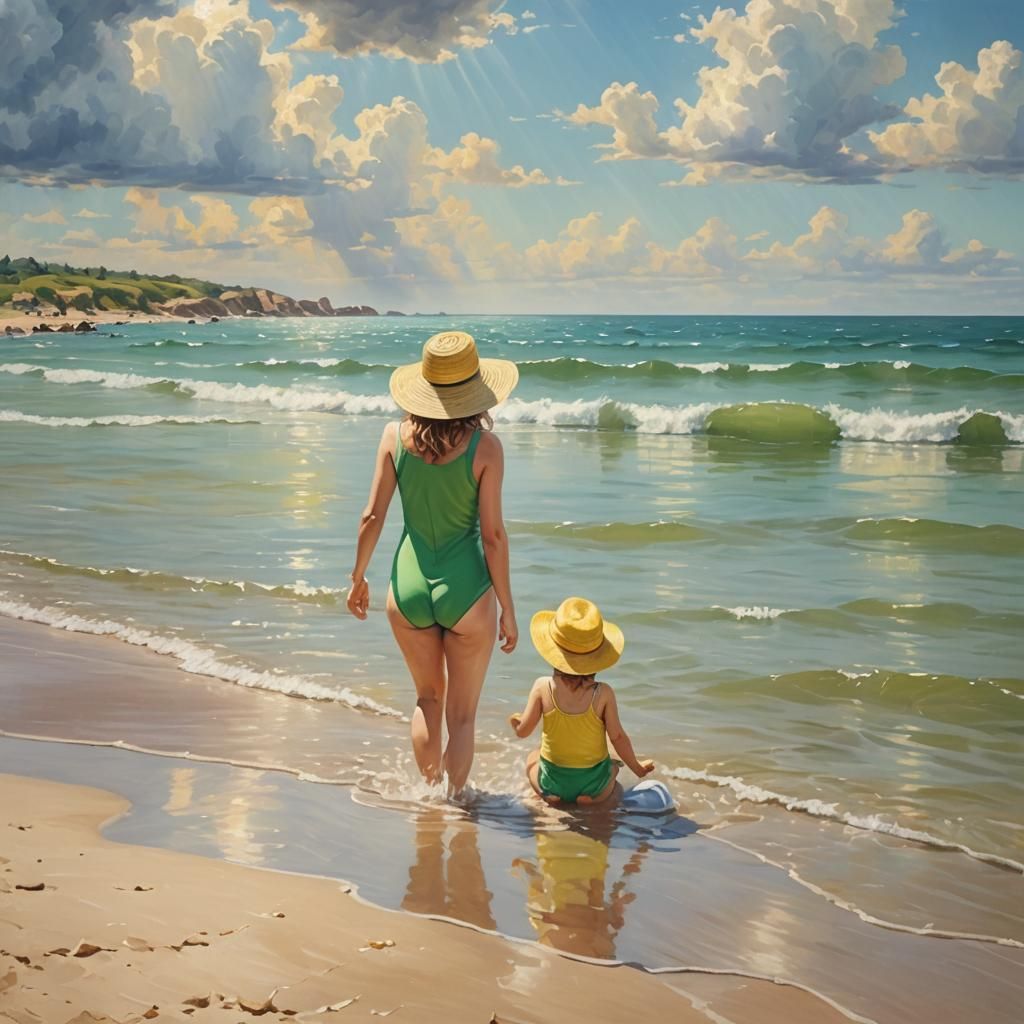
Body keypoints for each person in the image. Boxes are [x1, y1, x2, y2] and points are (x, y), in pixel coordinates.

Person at [347, 330, 519, 796]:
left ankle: (427, 794)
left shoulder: (393, 436)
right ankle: (454, 804)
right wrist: (507, 607)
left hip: (407, 588)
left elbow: (372, 515)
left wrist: (358, 577)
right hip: (466, 591)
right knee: (462, 715)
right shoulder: (486, 448)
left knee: (427, 699)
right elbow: (493, 536)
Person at [509, 596, 654, 804]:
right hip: (593, 784)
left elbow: (524, 731)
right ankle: (591, 799)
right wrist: (637, 768)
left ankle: (548, 795)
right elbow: (618, 737)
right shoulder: (603, 693)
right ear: (596, 657)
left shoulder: (542, 687)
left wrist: (517, 723)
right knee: (613, 767)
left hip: (553, 780)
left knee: (532, 758)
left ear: (553, 652)